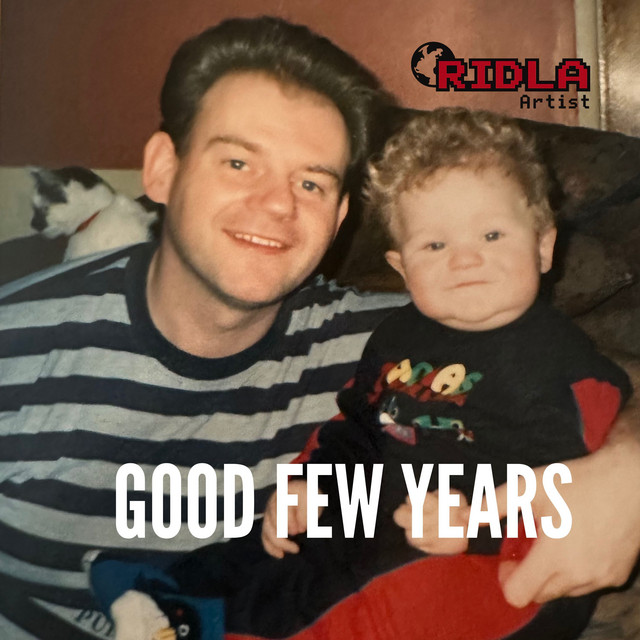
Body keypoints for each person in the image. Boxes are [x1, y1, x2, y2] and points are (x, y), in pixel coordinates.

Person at [0, 15, 638, 640]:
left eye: (310, 181)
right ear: (164, 168)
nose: (278, 203)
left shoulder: (395, 331)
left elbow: (591, 387)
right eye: (239, 163)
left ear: (337, 218)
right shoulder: (19, 347)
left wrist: (627, 470)